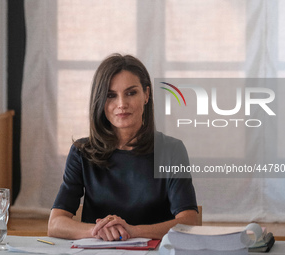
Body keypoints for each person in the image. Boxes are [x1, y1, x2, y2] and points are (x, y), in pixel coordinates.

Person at [48, 53, 198, 241]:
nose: (121, 104)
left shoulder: (172, 150)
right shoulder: (82, 152)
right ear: (101, 101)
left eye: (131, 93)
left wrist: (132, 231)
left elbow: (189, 221)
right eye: (111, 95)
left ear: (146, 95)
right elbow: (55, 224)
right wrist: (98, 231)